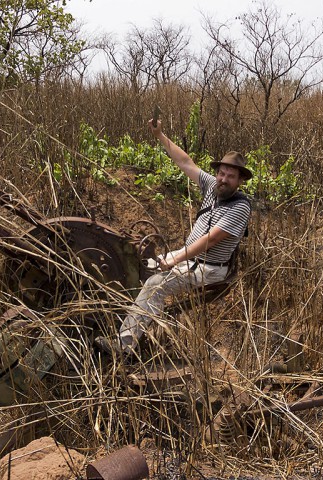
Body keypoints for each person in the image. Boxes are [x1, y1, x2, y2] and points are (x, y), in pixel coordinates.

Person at [95, 118, 252, 357]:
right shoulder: (212, 187)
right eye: (221, 173)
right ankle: (124, 326)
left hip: (209, 268)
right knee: (136, 268)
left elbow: (211, 239)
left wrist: (176, 259)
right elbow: (185, 162)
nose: (223, 179)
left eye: (230, 176)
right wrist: (159, 135)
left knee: (155, 285)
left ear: (240, 181)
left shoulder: (240, 207)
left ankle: (123, 347)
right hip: (188, 259)